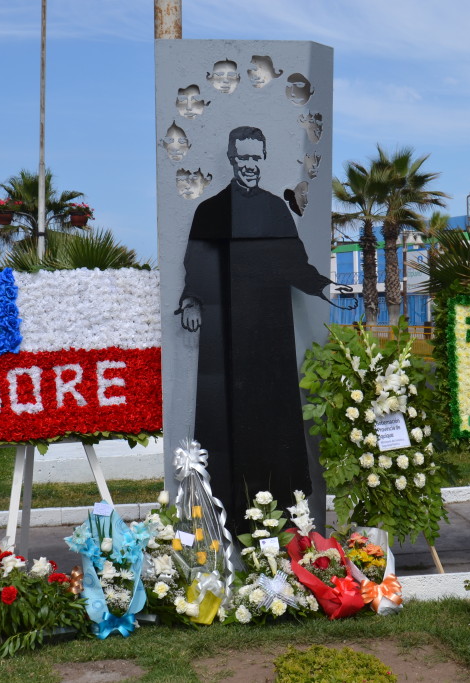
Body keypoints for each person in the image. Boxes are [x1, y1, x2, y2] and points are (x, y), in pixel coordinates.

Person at [176, 126, 351, 531]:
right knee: (225, 421)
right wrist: (191, 301)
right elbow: (195, 266)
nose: (250, 165)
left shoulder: (275, 209)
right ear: (232, 159)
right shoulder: (211, 211)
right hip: (225, 336)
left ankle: (282, 515)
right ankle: (222, 511)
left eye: (256, 158)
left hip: (270, 333)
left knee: (273, 422)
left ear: (263, 158)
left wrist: (326, 287)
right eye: (244, 158)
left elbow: (295, 264)